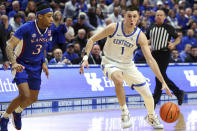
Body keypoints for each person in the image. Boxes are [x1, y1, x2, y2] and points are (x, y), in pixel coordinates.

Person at [79, 6, 172, 129]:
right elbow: (91, 39)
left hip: (128, 65)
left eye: (134, 16)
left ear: (138, 18)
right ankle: (125, 113)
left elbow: (150, 60)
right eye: (129, 16)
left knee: (148, 94)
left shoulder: (140, 35)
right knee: (118, 79)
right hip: (109, 61)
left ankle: (151, 116)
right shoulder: (114, 27)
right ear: (124, 16)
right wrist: (85, 58)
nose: (131, 19)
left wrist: (163, 81)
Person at [0, 4, 53, 131]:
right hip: (21, 63)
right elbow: (9, 46)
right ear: (39, 16)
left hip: (36, 66)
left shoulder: (49, 29)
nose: (52, 19)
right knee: (24, 94)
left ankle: (17, 112)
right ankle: (4, 117)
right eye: (49, 16)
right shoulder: (26, 28)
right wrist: (14, 63)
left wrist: (44, 63)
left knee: (33, 98)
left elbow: (42, 48)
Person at [146, 10, 184, 108]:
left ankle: (154, 101)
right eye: (157, 15)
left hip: (164, 53)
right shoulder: (151, 27)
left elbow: (178, 38)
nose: (159, 16)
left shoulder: (169, 27)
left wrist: (173, 44)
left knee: (160, 76)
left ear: (164, 17)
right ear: (155, 17)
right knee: (160, 77)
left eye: (161, 15)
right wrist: (146, 44)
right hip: (154, 54)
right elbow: (146, 39)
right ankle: (178, 92)